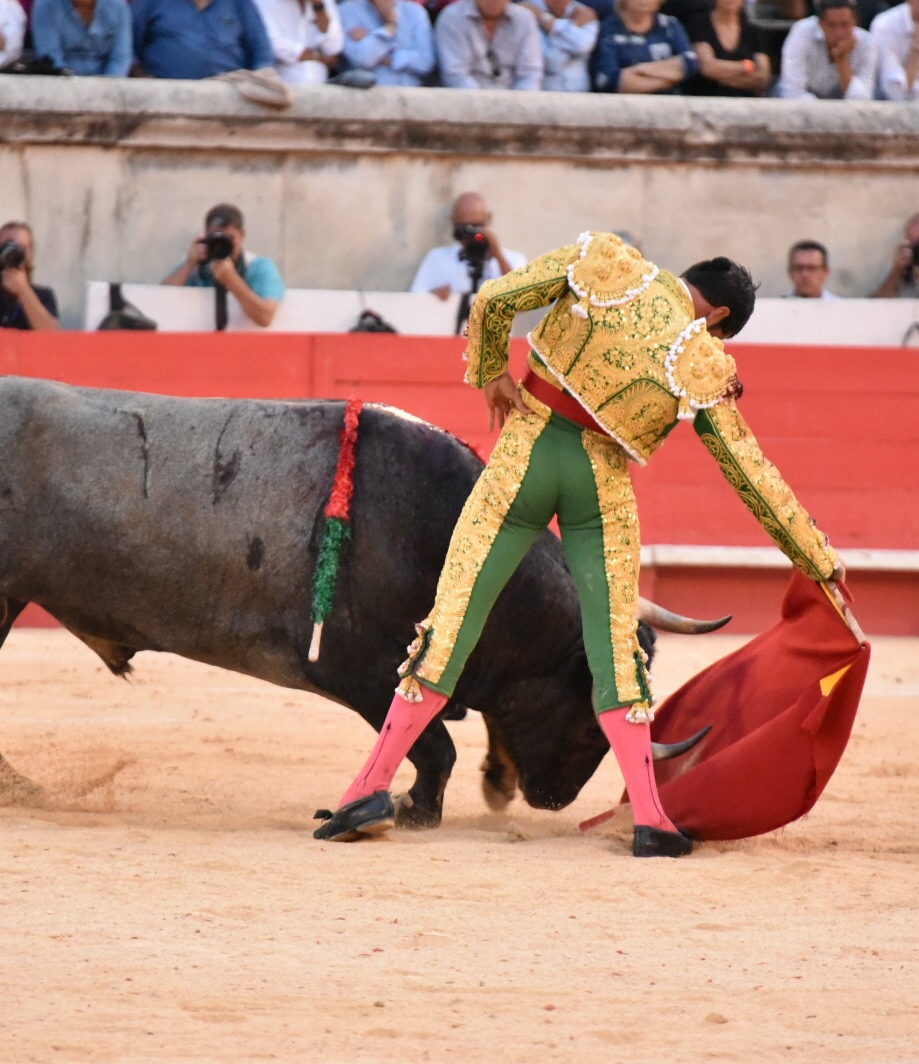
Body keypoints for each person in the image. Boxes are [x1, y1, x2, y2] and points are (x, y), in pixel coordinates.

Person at [312, 232, 843, 858]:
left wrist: (491, 375)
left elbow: (493, 300)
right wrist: (820, 559)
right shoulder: (702, 359)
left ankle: (369, 788)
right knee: (615, 649)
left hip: (526, 454)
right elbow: (750, 474)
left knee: (452, 622)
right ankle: (652, 818)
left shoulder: (609, 261)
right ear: (720, 318)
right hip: (600, 486)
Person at [162, 203, 286, 328]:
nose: (223, 245)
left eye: (230, 238)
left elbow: (265, 317)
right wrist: (189, 264)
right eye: (217, 238)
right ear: (206, 236)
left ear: (242, 235)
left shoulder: (258, 267)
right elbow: (160, 300)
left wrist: (231, 280)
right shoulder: (195, 265)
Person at [409, 192, 526, 302]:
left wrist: (498, 255)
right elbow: (415, 302)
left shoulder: (513, 259)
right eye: (464, 227)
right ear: (454, 222)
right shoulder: (437, 258)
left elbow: (522, 300)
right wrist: (433, 297)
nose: (472, 233)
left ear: (488, 219)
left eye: (477, 226)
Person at [131, 0, 274, 80]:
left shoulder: (240, 4)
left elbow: (261, 53)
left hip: (230, 100)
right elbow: (128, 48)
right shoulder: (151, 2)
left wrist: (263, 77)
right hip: (166, 99)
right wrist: (145, 79)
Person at [777, 0, 878, 100]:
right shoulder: (802, 32)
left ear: (855, 23)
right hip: (806, 100)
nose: (839, 33)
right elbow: (792, 91)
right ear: (821, 24)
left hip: (841, 103)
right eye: (832, 25)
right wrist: (826, 112)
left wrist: (841, 60)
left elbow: (862, 100)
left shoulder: (867, 43)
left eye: (845, 24)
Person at [592, 0, 699, 93]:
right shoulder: (609, 28)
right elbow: (609, 80)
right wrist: (668, 80)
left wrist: (639, 69)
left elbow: (689, 64)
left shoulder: (670, 26)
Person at [434, 0, 544, 90]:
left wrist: (517, 106)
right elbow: (456, 75)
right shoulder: (452, 18)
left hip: (516, 106)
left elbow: (530, 74)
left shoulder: (525, 19)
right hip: (467, 105)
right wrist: (485, 106)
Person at [679, 0, 771, 97]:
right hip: (705, 100)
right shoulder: (699, 24)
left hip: (745, 103)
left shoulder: (753, 32)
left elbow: (762, 78)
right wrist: (747, 66)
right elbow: (707, 68)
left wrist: (720, 78)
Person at [337, 0, 436, 87]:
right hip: (368, 97)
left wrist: (389, 58)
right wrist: (390, 27)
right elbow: (363, 59)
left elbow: (425, 62)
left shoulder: (415, 12)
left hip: (413, 97)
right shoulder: (346, 11)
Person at [30, 0, 133, 76]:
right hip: (61, 87)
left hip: (108, 90)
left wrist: (107, 89)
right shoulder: (46, 5)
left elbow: (120, 57)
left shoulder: (118, 7)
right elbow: (50, 57)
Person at [251, 0, 343, 84]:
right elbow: (273, 44)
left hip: (323, 86)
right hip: (283, 86)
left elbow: (333, 47)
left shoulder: (324, 2)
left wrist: (318, 7)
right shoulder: (263, 2)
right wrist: (318, 56)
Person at [521, 0, 598, 91]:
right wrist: (572, 28)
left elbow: (583, 45)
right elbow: (551, 61)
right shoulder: (528, 10)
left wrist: (549, 22)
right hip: (544, 91)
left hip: (580, 93)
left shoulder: (583, 12)